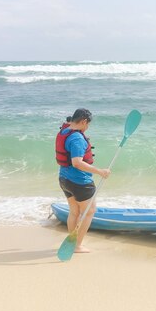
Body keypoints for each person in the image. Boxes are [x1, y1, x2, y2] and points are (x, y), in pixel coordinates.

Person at [55, 108, 110, 253]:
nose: (87, 127)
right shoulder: (77, 138)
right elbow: (77, 162)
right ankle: (77, 246)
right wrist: (100, 171)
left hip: (64, 179)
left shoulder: (64, 130)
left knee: (74, 212)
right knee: (90, 211)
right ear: (84, 121)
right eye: (88, 124)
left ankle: (73, 243)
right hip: (79, 182)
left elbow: (67, 123)